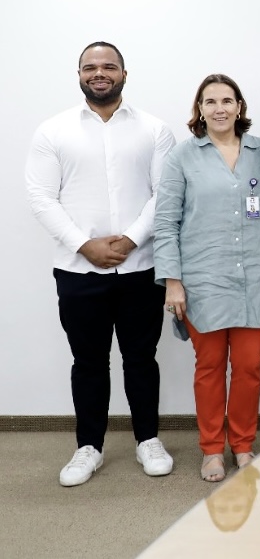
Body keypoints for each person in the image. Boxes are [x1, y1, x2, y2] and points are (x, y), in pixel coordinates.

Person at [26, 41, 176, 487]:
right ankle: (88, 447)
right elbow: (41, 197)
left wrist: (130, 239)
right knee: (88, 361)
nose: (99, 73)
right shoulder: (53, 131)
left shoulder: (154, 130)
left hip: (140, 267)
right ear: (79, 75)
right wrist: (83, 245)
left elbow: (165, 194)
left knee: (141, 359)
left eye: (109, 66)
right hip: (78, 270)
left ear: (124, 74)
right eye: (90, 67)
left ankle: (148, 439)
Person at [153, 73, 260, 482]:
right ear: (200, 109)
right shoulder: (182, 156)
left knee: (249, 367)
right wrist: (172, 280)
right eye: (211, 102)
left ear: (239, 107)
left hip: (255, 277)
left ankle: (242, 444)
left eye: (227, 101)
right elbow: (166, 221)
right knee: (209, 368)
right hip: (202, 280)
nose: (220, 108)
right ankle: (211, 449)